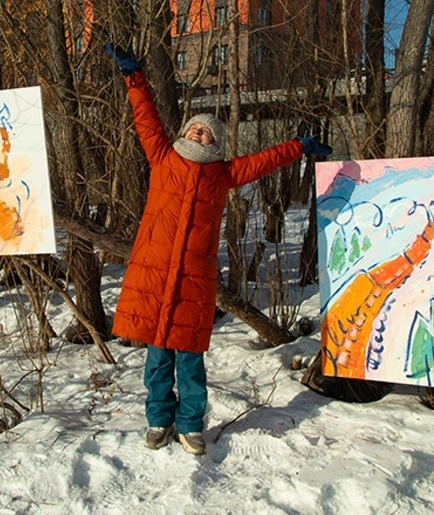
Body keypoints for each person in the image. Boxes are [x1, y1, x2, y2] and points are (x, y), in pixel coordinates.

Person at [106, 43, 330, 455]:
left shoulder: (222, 173)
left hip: (193, 280)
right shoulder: (162, 157)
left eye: (206, 131)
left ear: (216, 141)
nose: (198, 133)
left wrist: (297, 147)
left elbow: (263, 161)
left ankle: (191, 425)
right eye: (194, 127)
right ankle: (159, 420)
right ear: (184, 132)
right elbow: (146, 118)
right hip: (155, 276)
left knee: (190, 363)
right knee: (157, 362)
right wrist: (134, 76)